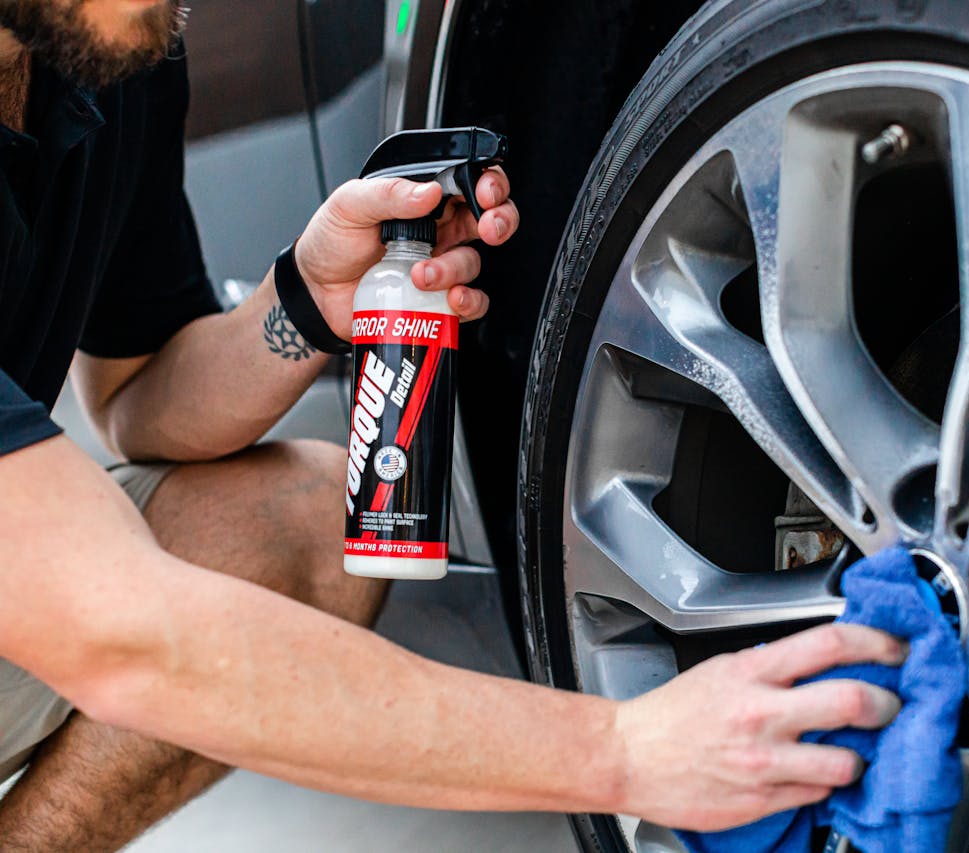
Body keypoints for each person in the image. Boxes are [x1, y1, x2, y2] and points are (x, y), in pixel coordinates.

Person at [0, 0, 905, 848]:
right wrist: (624, 751)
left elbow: (133, 403)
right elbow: (119, 635)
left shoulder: (115, 52)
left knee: (304, 520)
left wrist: (310, 304)